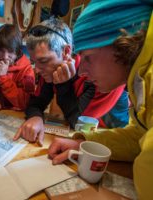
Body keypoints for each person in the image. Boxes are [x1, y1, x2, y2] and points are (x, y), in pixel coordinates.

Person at [47, 1, 153, 199]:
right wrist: (83, 143)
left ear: (122, 42)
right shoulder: (139, 79)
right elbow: (139, 136)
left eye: (87, 57)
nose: (82, 72)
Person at [13, 17, 129, 145]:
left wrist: (63, 85)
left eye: (43, 61)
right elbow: (36, 102)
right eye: (34, 62)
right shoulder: (50, 70)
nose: (37, 70)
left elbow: (79, 123)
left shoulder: (97, 74)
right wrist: (35, 117)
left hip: (112, 138)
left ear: (66, 51)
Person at [0, 24, 35, 111]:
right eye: (1, 51)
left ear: (17, 51)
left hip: (16, 119)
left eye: (10, 51)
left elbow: (26, 102)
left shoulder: (27, 70)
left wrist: (3, 78)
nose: (5, 57)